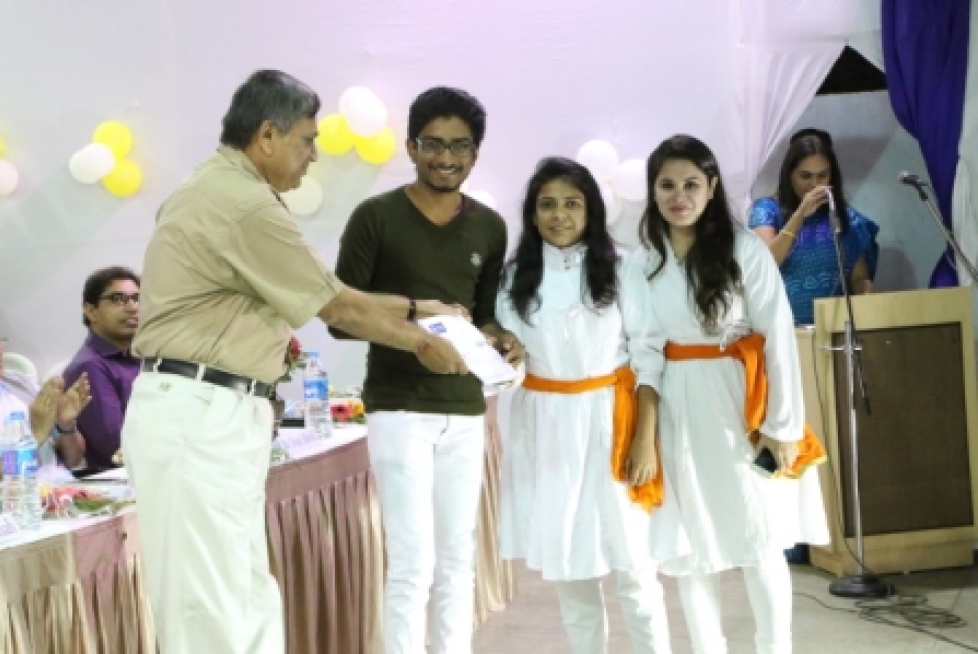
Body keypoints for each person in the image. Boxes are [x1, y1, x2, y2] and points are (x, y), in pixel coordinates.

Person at [123, 70, 467, 654]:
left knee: (244, 598)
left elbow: (326, 292)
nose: (313, 155)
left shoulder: (221, 189)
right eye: (307, 140)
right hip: (198, 415)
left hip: (212, 411)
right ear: (266, 136)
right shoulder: (241, 203)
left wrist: (418, 307)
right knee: (211, 610)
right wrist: (425, 341)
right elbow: (338, 307)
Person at [331, 86, 524, 654]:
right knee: (412, 563)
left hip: (466, 409)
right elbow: (341, 316)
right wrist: (417, 326)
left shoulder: (490, 227)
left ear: (475, 153)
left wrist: (501, 339)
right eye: (433, 144)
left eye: (460, 146)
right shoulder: (375, 217)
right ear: (411, 147)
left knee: (458, 559)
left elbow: (482, 315)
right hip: (398, 408)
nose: (446, 157)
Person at [621, 135, 829, 654]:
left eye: (691, 184)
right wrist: (645, 435)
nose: (679, 196)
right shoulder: (641, 262)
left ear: (712, 188)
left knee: (760, 538)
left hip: (740, 403)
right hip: (677, 407)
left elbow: (777, 336)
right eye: (667, 185)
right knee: (691, 547)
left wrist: (782, 426)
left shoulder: (745, 250)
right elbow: (644, 351)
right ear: (652, 190)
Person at [495, 157, 686, 654]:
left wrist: (644, 438)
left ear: (591, 211)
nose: (559, 215)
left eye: (572, 204)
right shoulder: (514, 278)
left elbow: (648, 355)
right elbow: (507, 361)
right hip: (546, 430)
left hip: (610, 422)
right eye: (548, 205)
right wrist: (506, 358)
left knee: (635, 569)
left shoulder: (623, 268)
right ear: (532, 213)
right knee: (571, 570)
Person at [748, 129, 879, 325]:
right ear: (789, 175)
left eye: (822, 176)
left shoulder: (844, 217)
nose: (814, 184)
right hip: (782, 328)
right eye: (805, 176)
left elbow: (859, 278)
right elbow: (765, 264)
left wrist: (865, 295)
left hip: (833, 327)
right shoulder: (767, 210)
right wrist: (800, 215)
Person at [63, 266, 141, 469]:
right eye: (118, 299)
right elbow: (117, 445)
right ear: (91, 311)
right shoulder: (90, 366)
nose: (133, 308)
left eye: (136, 299)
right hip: (121, 478)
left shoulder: (141, 357)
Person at [0, 338, 88, 469]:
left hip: (59, 479)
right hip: (23, 482)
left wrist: (65, 425)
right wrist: (37, 435)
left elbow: (73, 461)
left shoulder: (20, 383)